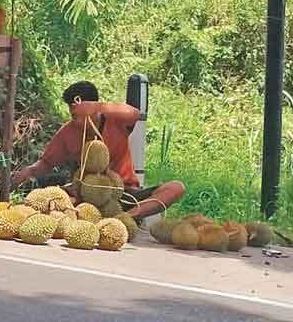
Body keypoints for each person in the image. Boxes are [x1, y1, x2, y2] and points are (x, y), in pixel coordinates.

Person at [11, 81, 185, 220]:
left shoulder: (115, 121)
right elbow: (45, 164)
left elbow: (135, 114)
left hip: (123, 193)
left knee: (175, 188)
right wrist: (25, 174)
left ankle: (127, 218)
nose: (75, 117)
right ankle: (85, 218)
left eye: (79, 111)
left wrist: (98, 106)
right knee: (52, 196)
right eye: (72, 113)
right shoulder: (67, 132)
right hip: (85, 196)